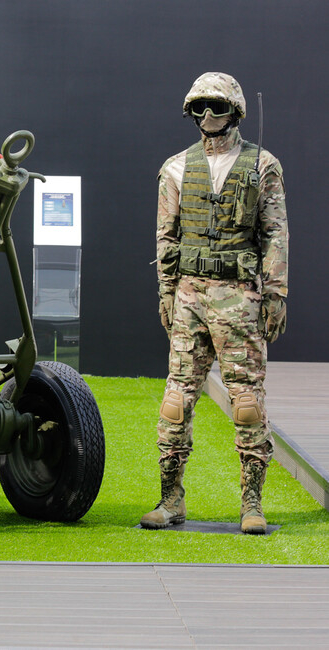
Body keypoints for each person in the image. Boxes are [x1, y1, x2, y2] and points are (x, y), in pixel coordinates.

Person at [141, 72, 288, 535]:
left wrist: (276, 291)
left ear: (236, 111)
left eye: (217, 107)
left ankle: (252, 504)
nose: (207, 116)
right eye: (199, 108)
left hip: (239, 299)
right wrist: (167, 290)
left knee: (246, 401)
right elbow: (166, 235)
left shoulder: (262, 165)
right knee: (176, 402)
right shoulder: (175, 168)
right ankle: (170, 500)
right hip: (189, 296)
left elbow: (274, 233)